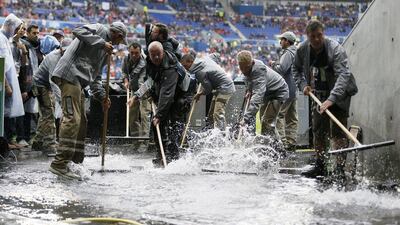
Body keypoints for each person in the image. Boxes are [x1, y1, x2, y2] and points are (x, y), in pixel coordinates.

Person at [49, 22, 127, 179]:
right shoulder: (100, 29)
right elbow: (77, 30)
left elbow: (96, 77)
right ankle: (59, 163)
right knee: (72, 119)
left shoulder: (106, 52)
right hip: (69, 75)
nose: (118, 44)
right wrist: (101, 43)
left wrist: (102, 96)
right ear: (118, 35)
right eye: (120, 41)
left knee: (82, 121)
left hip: (79, 83)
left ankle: (75, 163)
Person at [292, 19, 358, 178]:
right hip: (319, 93)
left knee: (338, 132)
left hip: (340, 94)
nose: (316, 39)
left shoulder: (335, 49)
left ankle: (339, 169)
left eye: (319, 35)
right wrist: (303, 85)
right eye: (312, 36)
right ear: (307, 36)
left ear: (324, 34)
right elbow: (296, 69)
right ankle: (320, 165)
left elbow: (344, 75)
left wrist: (332, 99)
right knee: (318, 130)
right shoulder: (302, 49)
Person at [129, 41, 192, 166]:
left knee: (174, 123)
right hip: (167, 94)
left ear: (163, 53)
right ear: (149, 55)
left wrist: (158, 115)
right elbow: (150, 81)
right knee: (156, 124)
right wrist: (136, 96)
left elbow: (167, 94)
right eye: (153, 55)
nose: (156, 57)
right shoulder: (150, 63)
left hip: (181, 95)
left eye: (158, 54)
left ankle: (173, 157)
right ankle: (160, 153)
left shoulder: (171, 67)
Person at [30, 38, 72, 152]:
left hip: (46, 85)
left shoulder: (68, 56)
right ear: (60, 49)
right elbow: (53, 82)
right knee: (49, 113)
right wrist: (62, 101)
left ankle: (38, 142)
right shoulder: (54, 57)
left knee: (45, 114)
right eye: (65, 51)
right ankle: (50, 143)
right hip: (40, 85)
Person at [237, 50, 289, 138]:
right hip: (267, 93)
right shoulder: (245, 68)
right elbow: (249, 81)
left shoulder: (259, 69)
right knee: (263, 121)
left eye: (246, 67)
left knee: (267, 122)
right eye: (241, 68)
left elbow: (258, 95)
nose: (244, 70)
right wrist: (249, 91)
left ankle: (278, 149)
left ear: (252, 63)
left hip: (278, 92)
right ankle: (266, 146)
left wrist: (245, 119)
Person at [180, 53, 235, 130]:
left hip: (226, 88)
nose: (186, 69)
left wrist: (200, 93)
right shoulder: (204, 58)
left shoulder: (199, 73)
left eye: (185, 66)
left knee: (217, 114)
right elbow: (215, 55)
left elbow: (208, 89)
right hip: (219, 89)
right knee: (211, 115)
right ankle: (210, 133)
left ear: (190, 61)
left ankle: (223, 135)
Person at [270, 31, 299, 151]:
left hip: (286, 89)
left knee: (279, 116)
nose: (280, 42)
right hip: (294, 89)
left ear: (287, 41)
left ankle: (282, 143)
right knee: (292, 117)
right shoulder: (297, 52)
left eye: (282, 39)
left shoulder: (288, 53)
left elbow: (281, 69)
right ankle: (291, 142)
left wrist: (273, 64)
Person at [1, 13, 25, 149]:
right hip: (4, 83)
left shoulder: (5, 39)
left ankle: (7, 141)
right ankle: (4, 143)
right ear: (9, 25)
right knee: (3, 113)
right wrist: (6, 85)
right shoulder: (0, 39)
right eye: (16, 29)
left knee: (7, 113)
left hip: (9, 82)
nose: (17, 32)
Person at [122, 42, 150, 137]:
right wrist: (126, 81)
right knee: (132, 116)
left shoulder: (145, 62)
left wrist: (134, 97)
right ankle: (135, 140)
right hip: (134, 90)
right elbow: (124, 73)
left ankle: (144, 142)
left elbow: (142, 83)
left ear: (140, 52)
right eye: (132, 52)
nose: (134, 55)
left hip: (145, 91)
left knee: (144, 116)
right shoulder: (126, 59)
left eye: (136, 53)